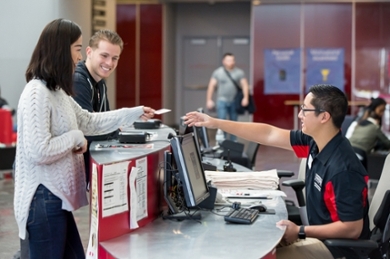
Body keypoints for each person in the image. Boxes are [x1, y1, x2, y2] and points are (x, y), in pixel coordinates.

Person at [14, 18, 154, 259]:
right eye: (77, 48)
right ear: (61, 49)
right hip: (43, 198)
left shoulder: (57, 91)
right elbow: (38, 151)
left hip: (56, 200)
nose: (79, 58)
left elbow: (89, 121)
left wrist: (133, 112)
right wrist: (75, 138)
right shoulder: (37, 92)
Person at [185, 84, 369, 259]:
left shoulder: (343, 169)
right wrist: (215, 122)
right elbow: (269, 134)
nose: (300, 115)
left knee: (264, 256)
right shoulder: (315, 142)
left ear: (324, 117)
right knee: (251, 244)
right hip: (316, 236)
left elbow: (352, 228)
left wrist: (300, 231)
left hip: (336, 249)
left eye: (305, 110)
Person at [73, 29, 123, 187]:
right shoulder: (78, 80)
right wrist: (116, 129)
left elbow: (104, 122)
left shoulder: (100, 83)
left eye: (115, 58)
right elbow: (89, 129)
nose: (109, 63)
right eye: (104, 55)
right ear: (89, 51)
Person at [206, 52, 249, 141]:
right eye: (229, 60)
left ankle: (234, 143)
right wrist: (209, 100)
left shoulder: (239, 72)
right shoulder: (218, 72)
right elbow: (211, 86)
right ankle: (223, 143)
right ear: (224, 61)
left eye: (232, 60)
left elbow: (245, 85)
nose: (231, 62)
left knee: (234, 124)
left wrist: (246, 98)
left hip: (234, 101)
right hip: (222, 101)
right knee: (222, 123)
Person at [348, 97, 390, 169]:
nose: (382, 113)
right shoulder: (375, 128)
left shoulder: (359, 123)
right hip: (359, 154)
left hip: (347, 150)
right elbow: (387, 143)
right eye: (381, 110)